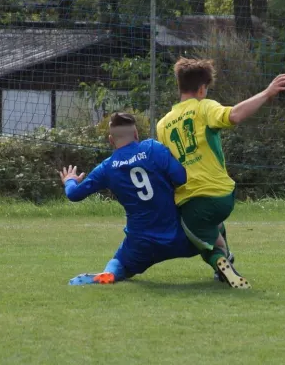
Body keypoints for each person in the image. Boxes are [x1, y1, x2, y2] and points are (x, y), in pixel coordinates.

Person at [156, 57, 285, 289]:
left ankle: (222, 261)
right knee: (214, 224)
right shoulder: (205, 106)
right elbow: (235, 115)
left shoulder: (163, 125)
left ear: (179, 86)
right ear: (202, 88)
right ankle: (224, 266)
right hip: (223, 195)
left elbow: (166, 167)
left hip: (192, 200)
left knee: (203, 243)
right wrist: (267, 93)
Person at [60, 112, 199, 285]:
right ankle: (221, 263)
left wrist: (70, 181)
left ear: (111, 140)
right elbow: (181, 177)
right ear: (136, 134)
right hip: (178, 236)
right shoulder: (153, 149)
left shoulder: (107, 167)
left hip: (140, 244)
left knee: (120, 262)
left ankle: (109, 273)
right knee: (211, 231)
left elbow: (74, 195)